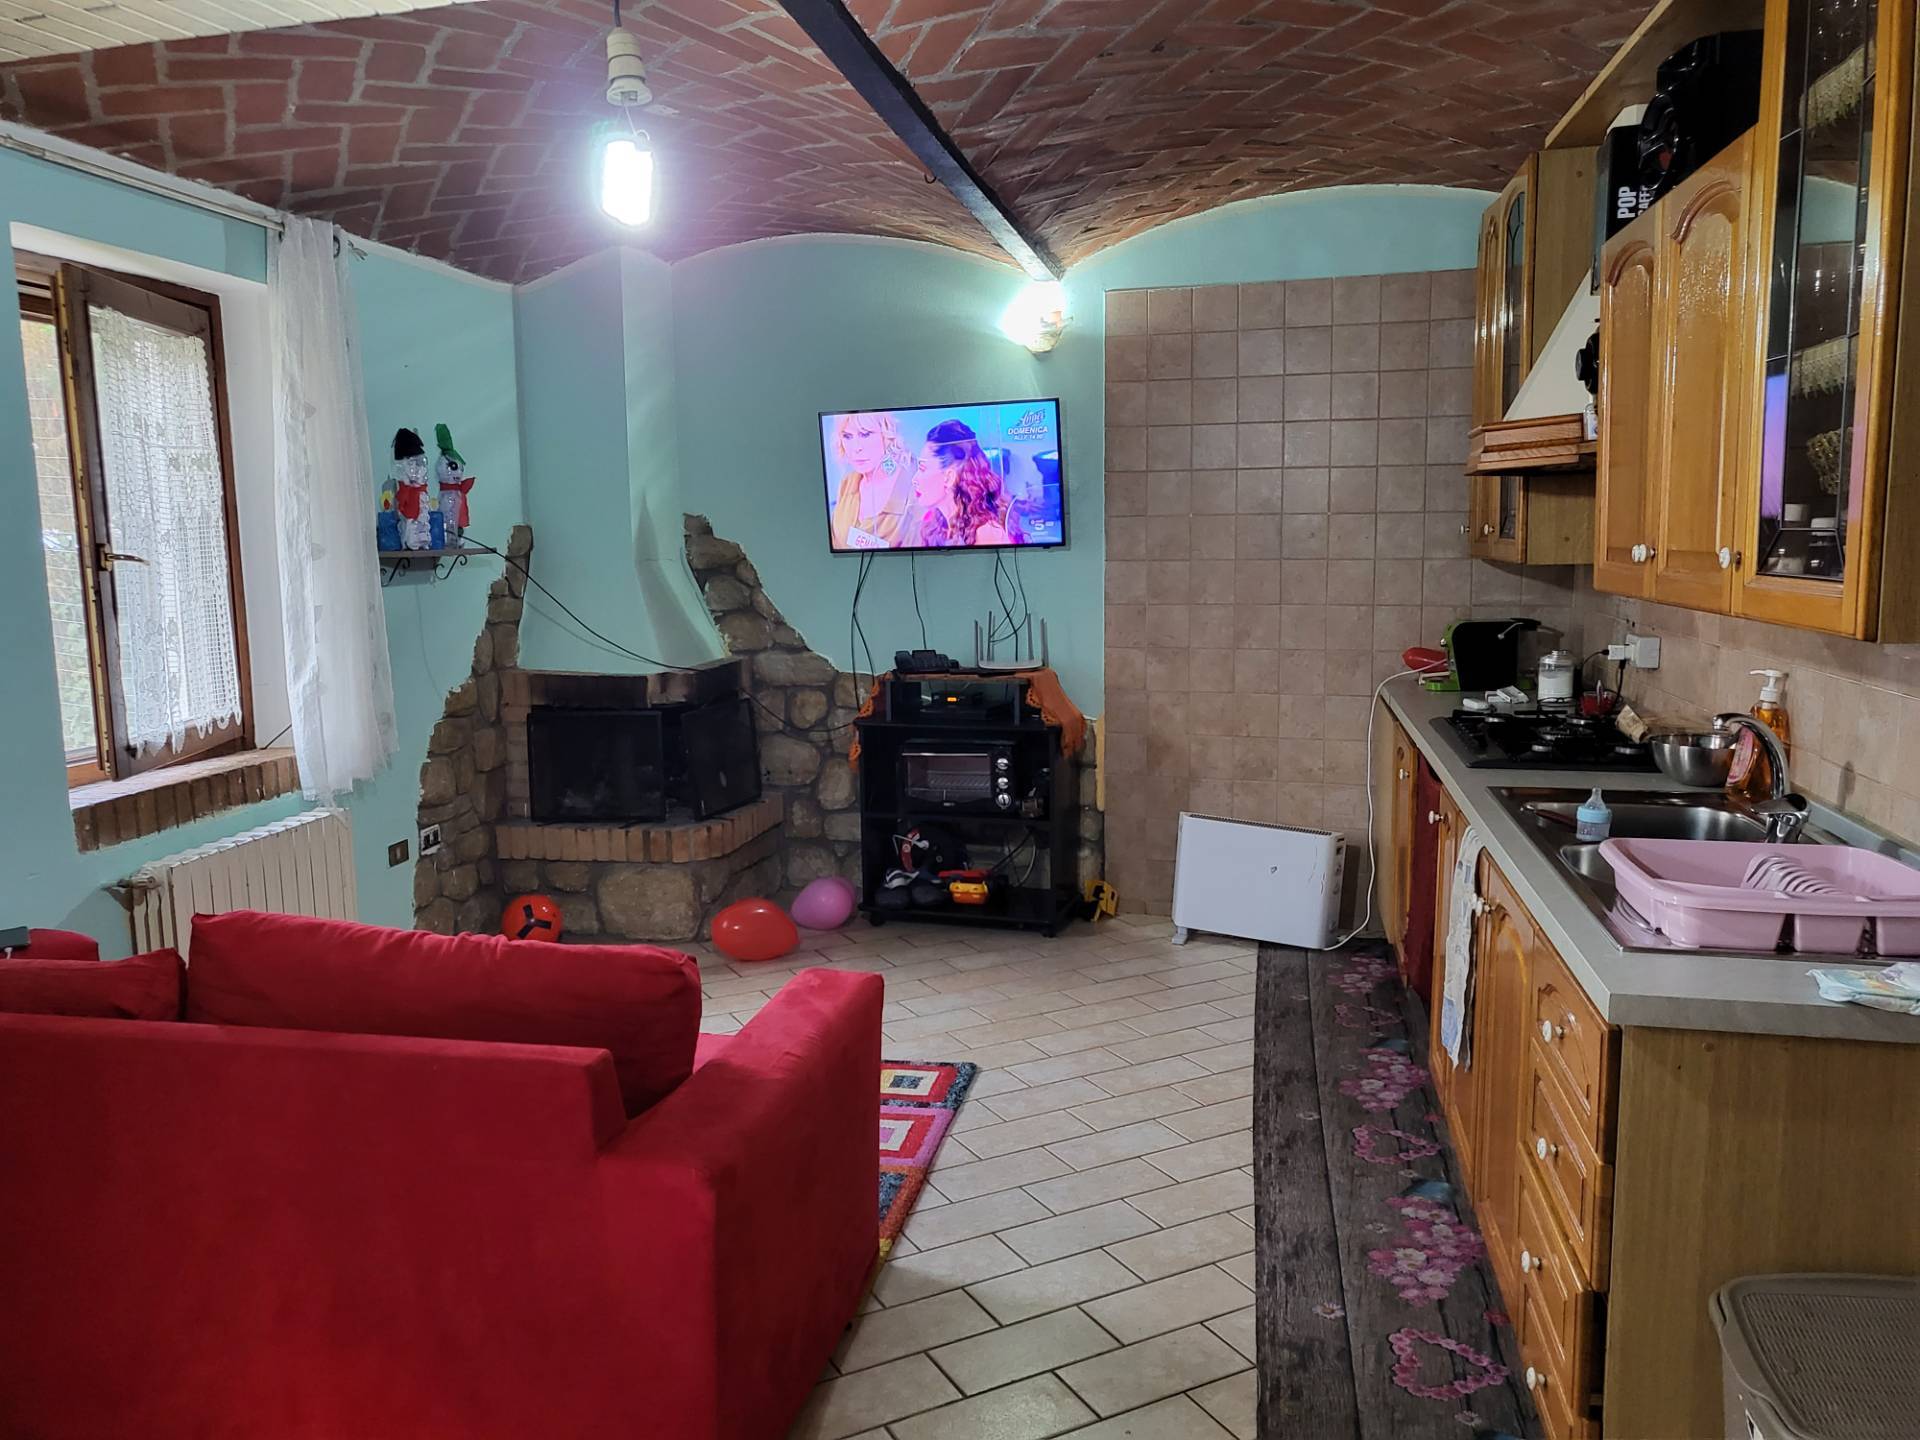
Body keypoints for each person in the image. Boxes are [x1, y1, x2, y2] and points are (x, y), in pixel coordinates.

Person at [910, 419, 1024, 548]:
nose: (914, 479)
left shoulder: (987, 533)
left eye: (922, 468)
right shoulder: (933, 522)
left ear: (949, 477)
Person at [827, 412, 914, 549]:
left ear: (886, 435)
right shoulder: (847, 483)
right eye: (847, 436)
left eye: (865, 434)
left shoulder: (913, 486)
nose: (856, 448)